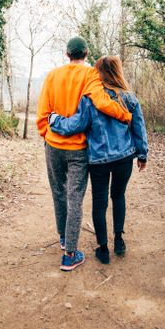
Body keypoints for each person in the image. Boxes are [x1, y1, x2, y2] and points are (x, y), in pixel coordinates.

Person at [36, 37, 132, 272]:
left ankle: (63, 238)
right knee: (75, 198)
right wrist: (125, 115)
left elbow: (43, 113)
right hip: (78, 149)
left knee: (58, 193)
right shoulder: (91, 75)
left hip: (53, 145)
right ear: (87, 53)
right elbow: (101, 102)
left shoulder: (52, 76)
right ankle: (70, 254)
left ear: (67, 53)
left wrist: (46, 136)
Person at [48, 55, 148, 265]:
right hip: (124, 159)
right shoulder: (128, 97)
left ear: (99, 73)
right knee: (118, 196)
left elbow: (76, 125)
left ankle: (103, 249)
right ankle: (119, 240)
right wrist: (142, 154)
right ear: (117, 71)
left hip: (98, 161)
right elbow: (138, 126)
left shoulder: (91, 98)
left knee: (99, 203)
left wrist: (54, 120)